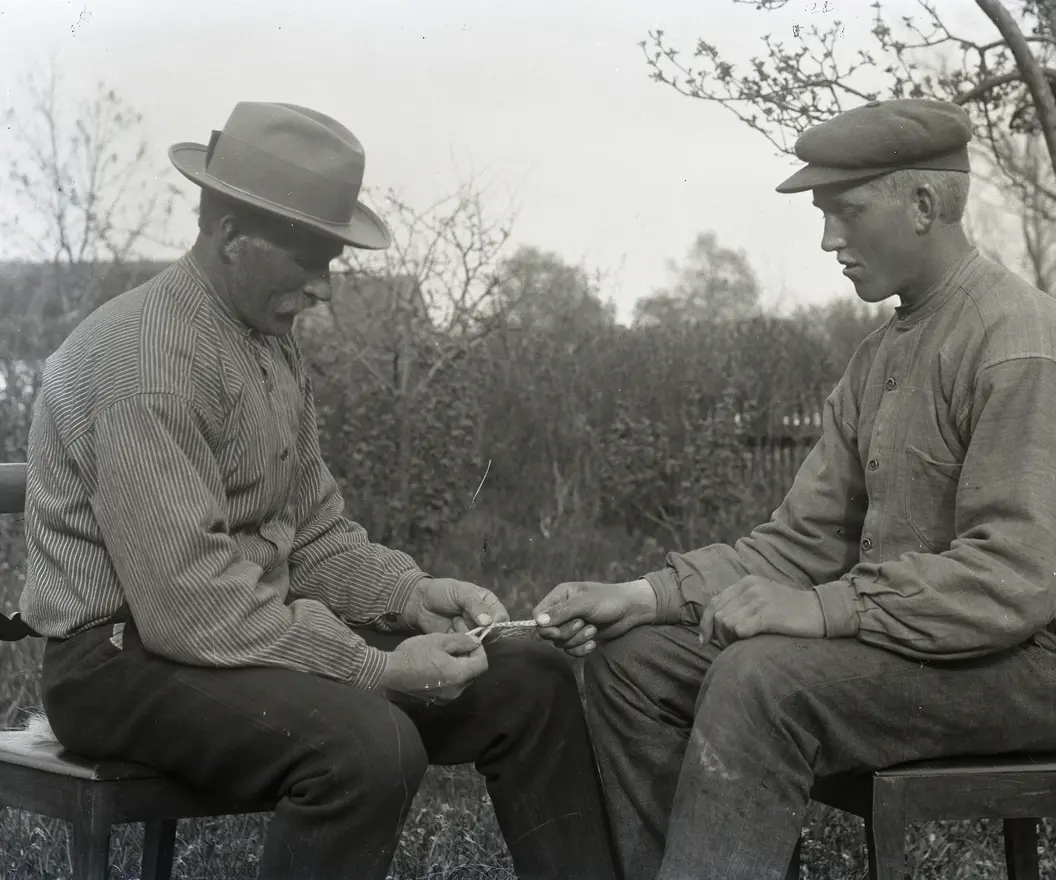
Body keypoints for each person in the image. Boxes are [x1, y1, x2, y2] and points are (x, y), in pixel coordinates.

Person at [534, 98, 1056, 880]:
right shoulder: (878, 357)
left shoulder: (1021, 343)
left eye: (846, 212)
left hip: (1041, 666)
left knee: (761, 679)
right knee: (633, 662)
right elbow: (803, 543)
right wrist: (644, 596)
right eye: (824, 216)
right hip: (926, 644)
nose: (828, 240)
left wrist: (823, 610)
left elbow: (1013, 580)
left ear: (924, 205)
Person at [21, 101, 616, 880]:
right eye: (310, 258)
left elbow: (312, 536)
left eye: (331, 260)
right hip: (118, 664)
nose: (326, 287)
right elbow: (191, 608)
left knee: (530, 680)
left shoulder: (265, 340)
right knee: (368, 747)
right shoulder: (143, 365)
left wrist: (409, 595)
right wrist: (378, 669)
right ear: (229, 234)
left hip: (232, 634)